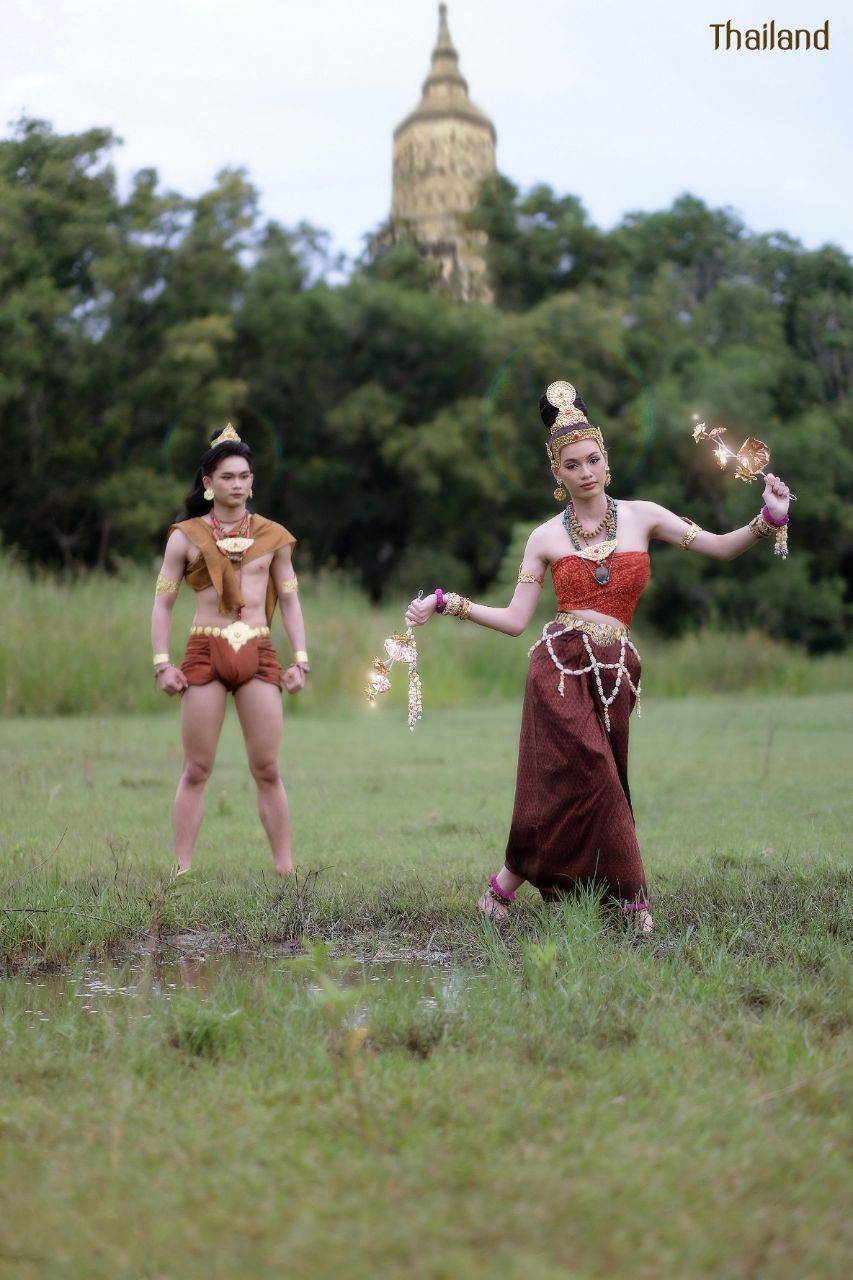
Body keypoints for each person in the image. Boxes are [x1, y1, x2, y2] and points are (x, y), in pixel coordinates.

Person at [406, 381, 791, 932]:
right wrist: (449, 603)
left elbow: (720, 547)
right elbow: (517, 620)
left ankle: (507, 882)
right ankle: (634, 904)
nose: (584, 471)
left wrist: (767, 520)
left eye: (592, 459)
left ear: (607, 462)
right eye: (571, 464)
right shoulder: (544, 538)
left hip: (617, 673)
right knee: (598, 780)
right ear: (557, 475)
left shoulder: (644, 516)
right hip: (558, 671)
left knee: (578, 785)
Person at [151, 423, 310, 875]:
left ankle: (285, 870)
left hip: (259, 653)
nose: (237, 484)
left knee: (268, 769)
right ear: (208, 484)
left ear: (252, 481)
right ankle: (181, 871)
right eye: (227, 477)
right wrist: (162, 663)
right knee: (197, 768)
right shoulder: (184, 537)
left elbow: (293, 602)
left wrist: (301, 659)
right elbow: (162, 604)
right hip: (205, 651)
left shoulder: (274, 537)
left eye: (244, 476)